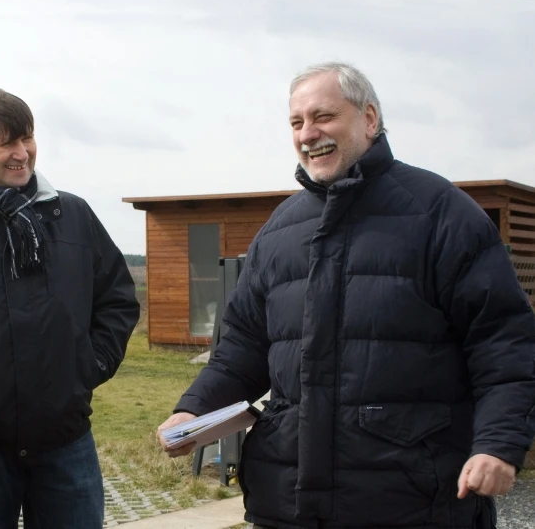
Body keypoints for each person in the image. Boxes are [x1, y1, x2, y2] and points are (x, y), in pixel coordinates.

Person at [158, 62, 535, 528]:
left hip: (412, 502)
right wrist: (193, 410)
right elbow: (241, 350)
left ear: (370, 119)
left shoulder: (441, 214)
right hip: (288, 503)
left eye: (323, 116)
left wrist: (498, 444)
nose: (308, 133)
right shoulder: (279, 230)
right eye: (296, 123)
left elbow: (504, 344)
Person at [0, 87, 140, 529]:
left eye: (28, 138)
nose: (23, 153)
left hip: (66, 438)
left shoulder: (73, 215)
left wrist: (87, 365)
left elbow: (116, 297)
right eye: (7, 143)